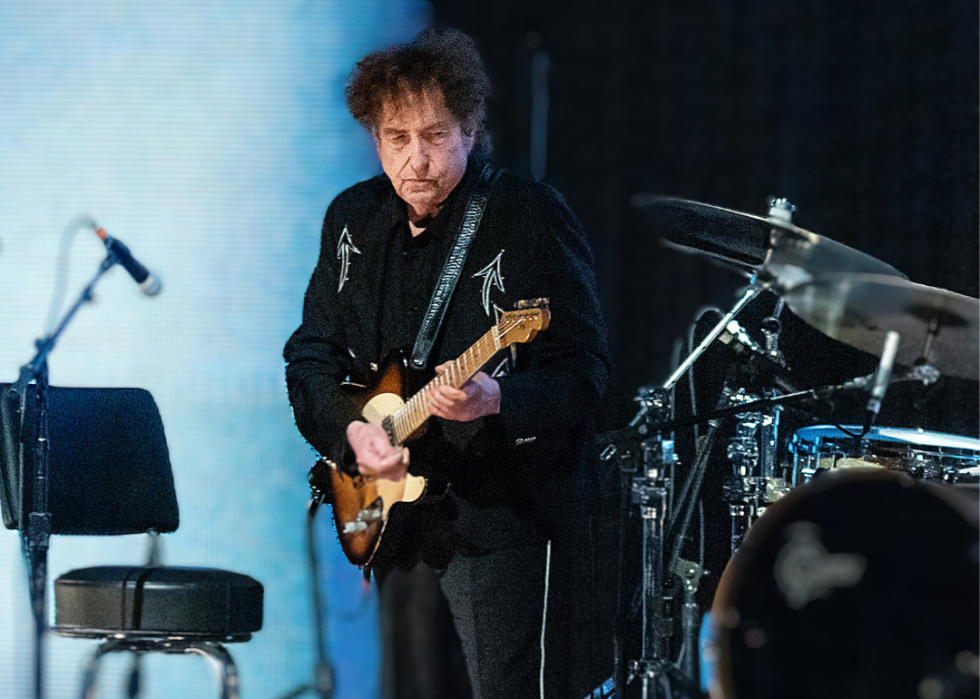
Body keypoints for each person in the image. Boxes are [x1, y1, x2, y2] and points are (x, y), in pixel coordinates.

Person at [284, 28, 612, 699]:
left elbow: (587, 375)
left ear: (468, 127)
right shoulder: (352, 219)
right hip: (394, 516)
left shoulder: (527, 215)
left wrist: (499, 400)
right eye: (396, 138)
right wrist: (352, 432)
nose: (416, 159)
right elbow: (310, 353)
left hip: (498, 514)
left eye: (434, 135)